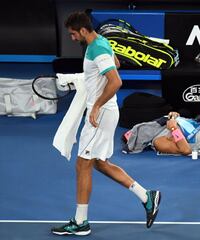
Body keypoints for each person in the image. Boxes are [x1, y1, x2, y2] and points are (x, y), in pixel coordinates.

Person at [51, 12, 161, 236]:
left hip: (100, 115)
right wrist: (88, 81)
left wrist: (97, 104)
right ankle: (146, 196)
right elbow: (116, 64)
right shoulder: (102, 42)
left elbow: (116, 80)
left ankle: (81, 222)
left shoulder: (98, 48)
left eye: (73, 34)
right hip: (105, 113)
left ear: (83, 30)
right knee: (99, 163)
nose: (72, 38)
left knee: (83, 165)